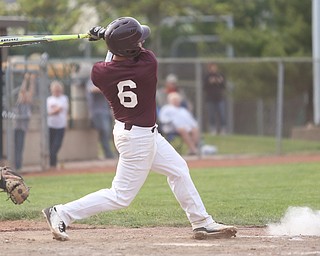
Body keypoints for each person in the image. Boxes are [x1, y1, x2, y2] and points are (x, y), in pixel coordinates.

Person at [42, 17, 236, 241]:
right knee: (121, 196)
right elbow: (126, 54)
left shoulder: (100, 74)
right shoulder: (148, 64)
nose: (142, 43)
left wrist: (106, 39)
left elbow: (108, 63)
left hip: (137, 133)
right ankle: (62, 212)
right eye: (138, 41)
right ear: (131, 48)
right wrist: (106, 37)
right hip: (138, 139)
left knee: (179, 170)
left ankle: (202, 222)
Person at [86, 78, 114, 159]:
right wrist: (106, 88)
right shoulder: (92, 80)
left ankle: (112, 153)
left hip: (106, 111)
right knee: (104, 132)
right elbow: (92, 89)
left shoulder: (104, 80)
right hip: (97, 113)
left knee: (110, 133)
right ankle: (108, 154)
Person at [14, 72, 36, 170]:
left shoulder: (28, 105)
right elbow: (22, 91)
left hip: (22, 128)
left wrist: (32, 81)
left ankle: (18, 165)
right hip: (16, 127)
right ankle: (15, 164)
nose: (25, 97)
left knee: (20, 147)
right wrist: (25, 80)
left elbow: (31, 92)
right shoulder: (19, 103)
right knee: (15, 147)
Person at [46, 80, 69, 168]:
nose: (57, 91)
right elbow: (49, 111)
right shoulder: (49, 100)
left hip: (60, 126)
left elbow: (58, 110)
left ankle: (52, 165)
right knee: (50, 147)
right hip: (50, 125)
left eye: (58, 89)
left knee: (56, 146)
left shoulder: (64, 98)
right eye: (55, 89)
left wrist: (53, 110)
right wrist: (54, 110)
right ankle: (52, 165)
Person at [203, 63, 227, 135]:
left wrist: (220, 81)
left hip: (219, 98)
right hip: (210, 99)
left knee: (222, 114)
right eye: (212, 67)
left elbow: (224, 86)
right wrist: (210, 82)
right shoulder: (207, 76)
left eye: (215, 67)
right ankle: (213, 129)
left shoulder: (220, 75)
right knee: (211, 115)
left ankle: (223, 129)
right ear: (210, 68)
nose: (214, 69)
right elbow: (204, 87)